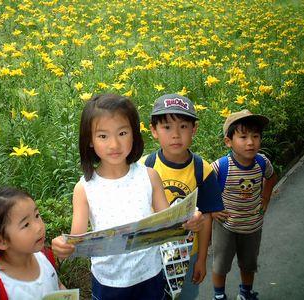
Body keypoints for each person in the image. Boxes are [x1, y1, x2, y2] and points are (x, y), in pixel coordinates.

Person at [51, 94, 203, 300]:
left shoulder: (149, 176)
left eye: (122, 133)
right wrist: (62, 245)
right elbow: (76, 240)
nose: (114, 144)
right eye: (103, 136)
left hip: (151, 274)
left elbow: (170, 222)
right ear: (89, 140)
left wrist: (190, 219)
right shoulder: (84, 188)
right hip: (108, 282)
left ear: (134, 133)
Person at [142, 93, 224, 299]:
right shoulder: (143, 167)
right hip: (151, 254)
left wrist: (201, 259)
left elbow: (206, 218)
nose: (176, 135)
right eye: (167, 127)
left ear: (194, 129)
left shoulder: (201, 169)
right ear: (154, 130)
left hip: (187, 255)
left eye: (183, 127)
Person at [211, 109, 278, 300]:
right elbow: (205, 190)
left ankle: (245, 293)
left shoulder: (262, 162)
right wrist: (213, 210)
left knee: (249, 264)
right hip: (226, 226)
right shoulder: (221, 166)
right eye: (243, 136)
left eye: (255, 136)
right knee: (220, 264)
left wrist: (265, 198)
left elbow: (272, 178)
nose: (251, 142)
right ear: (228, 141)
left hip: (252, 226)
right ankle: (219, 296)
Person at [0, 186, 64, 300]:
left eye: (37, 215)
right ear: (0, 241)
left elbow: (57, 286)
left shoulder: (44, 256)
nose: (39, 227)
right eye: (26, 225)